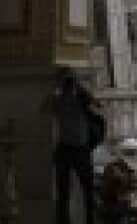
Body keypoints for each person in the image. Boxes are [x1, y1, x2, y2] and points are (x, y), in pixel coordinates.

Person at [42, 68, 99, 224]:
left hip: (81, 149)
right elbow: (44, 108)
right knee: (63, 191)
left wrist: (78, 85)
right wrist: (55, 86)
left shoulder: (82, 99)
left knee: (88, 189)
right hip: (64, 149)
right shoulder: (58, 100)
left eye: (69, 81)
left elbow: (97, 105)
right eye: (66, 81)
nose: (68, 84)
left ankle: (90, 220)